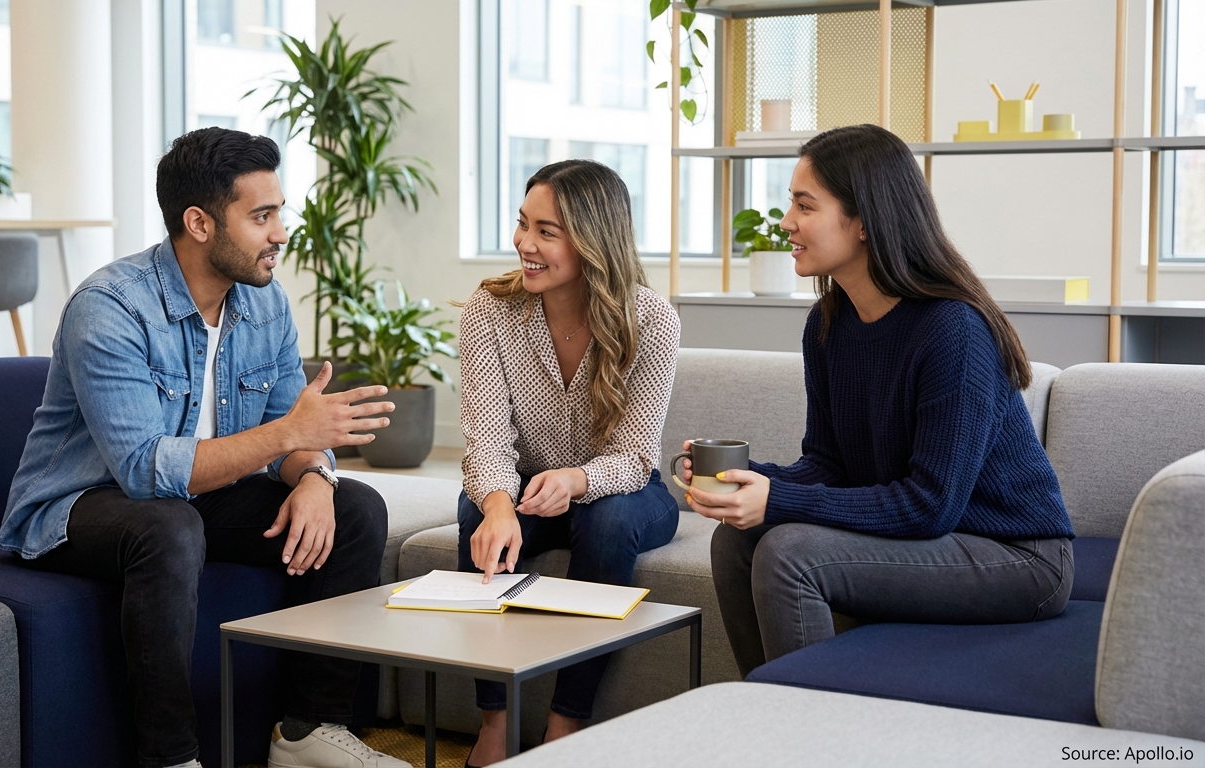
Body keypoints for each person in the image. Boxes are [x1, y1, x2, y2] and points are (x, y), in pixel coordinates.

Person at [0, 127, 409, 768]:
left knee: (357, 509)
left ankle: (305, 735)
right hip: (81, 507)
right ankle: (169, 757)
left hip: (196, 498)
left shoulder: (263, 301)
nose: (280, 233)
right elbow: (143, 472)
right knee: (167, 525)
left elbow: (288, 434)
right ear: (199, 222)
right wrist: (289, 437)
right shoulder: (110, 308)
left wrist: (314, 478)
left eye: (279, 212)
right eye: (261, 216)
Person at [685, 124, 1075, 677]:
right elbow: (829, 465)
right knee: (736, 541)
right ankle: (768, 707)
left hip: (1016, 556)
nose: (786, 222)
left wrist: (778, 501)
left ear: (863, 222)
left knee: (788, 551)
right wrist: (746, 479)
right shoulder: (828, 324)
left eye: (804, 205)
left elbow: (930, 505)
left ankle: (814, 740)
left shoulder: (953, 332)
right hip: (941, 535)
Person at [458, 159, 681, 766]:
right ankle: (494, 725)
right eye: (523, 224)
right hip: (527, 487)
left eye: (546, 232)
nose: (524, 244)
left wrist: (579, 479)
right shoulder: (489, 310)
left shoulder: (650, 320)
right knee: (475, 513)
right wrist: (499, 507)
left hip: (621, 490)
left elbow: (636, 456)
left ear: (591, 241)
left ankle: (564, 727)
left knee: (606, 522)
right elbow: (486, 437)